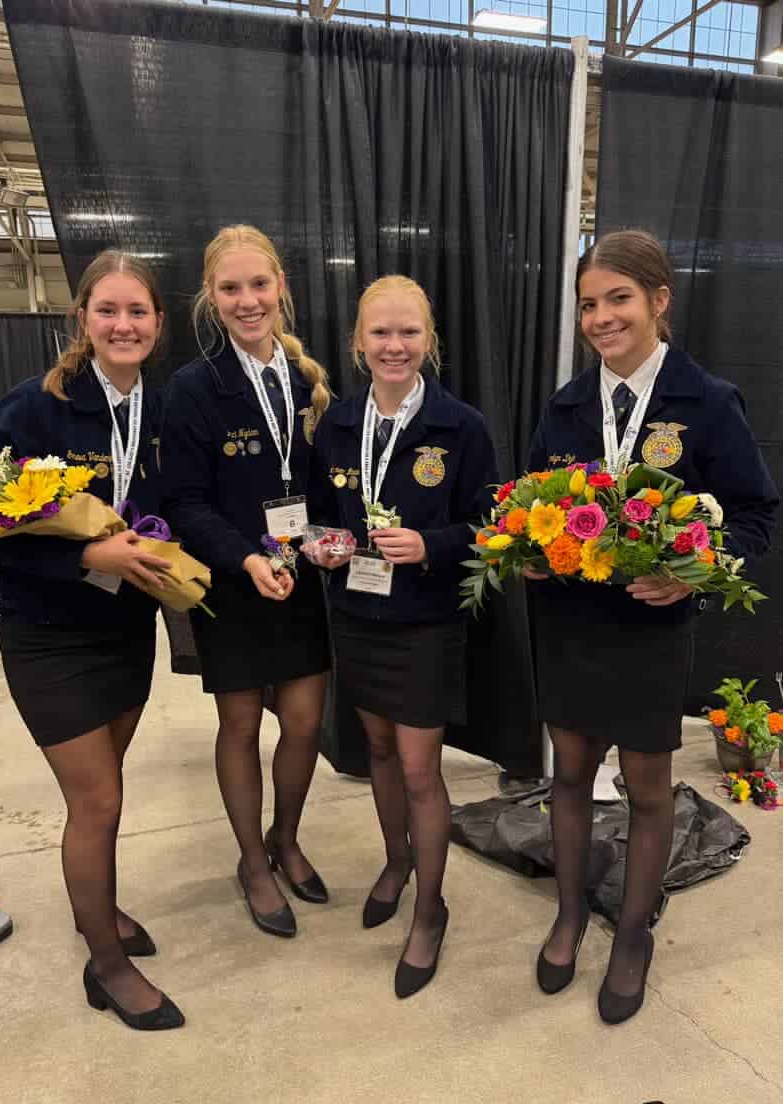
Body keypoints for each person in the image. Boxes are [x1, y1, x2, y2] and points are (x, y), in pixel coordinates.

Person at [527, 230, 778, 1024]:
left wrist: (692, 572)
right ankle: (570, 913)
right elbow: (530, 502)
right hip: (570, 625)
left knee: (644, 788)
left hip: (649, 630)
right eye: (589, 305)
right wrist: (528, 550)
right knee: (567, 775)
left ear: (660, 301)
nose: (601, 319)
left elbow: (755, 517)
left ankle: (632, 933)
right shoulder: (567, 405)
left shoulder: (708, 404)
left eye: (618, 299)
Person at [0, 251, 184, 1030]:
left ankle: (104, 912)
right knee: (99, 801)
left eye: (139, 312)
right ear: (81, 316)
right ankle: (107, 965)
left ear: (158, 322)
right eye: (109, 310)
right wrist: (84, 554)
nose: (124, 325)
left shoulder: (166, 408)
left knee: (102, 800)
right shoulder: (32, 407)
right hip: (49, 637)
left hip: (126, 630)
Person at [308, 275, 498, 998]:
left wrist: (433, 546)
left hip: (424, 622)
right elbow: (320, 515)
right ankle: (396, 861)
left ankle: (430, 907)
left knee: (421, 770)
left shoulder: (462, 428)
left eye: (409, 333)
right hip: (356, 616)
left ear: (429, 341)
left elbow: (491, 527)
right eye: (381, 333)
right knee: (379, 750)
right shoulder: (336, 423)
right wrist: (321, 546)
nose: (395, 346)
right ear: (359, 343)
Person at [161, 225, 331, 940]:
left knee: (302, 723)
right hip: (234, 584)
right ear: (211, 297)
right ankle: (251, 864)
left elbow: (325, 482)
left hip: (302, 579)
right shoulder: (193, 388)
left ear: (280, 287)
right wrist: (244, 560)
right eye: (230, 288)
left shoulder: (306, 379)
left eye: (258, 285)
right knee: (238, 724)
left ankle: (284, 839)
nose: (247, 300)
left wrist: (325, 537)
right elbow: (185, 503)